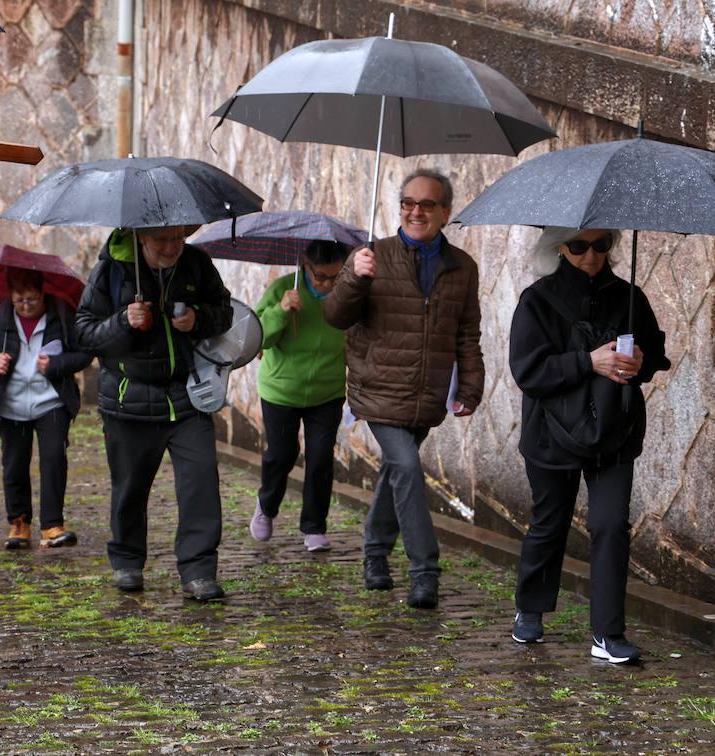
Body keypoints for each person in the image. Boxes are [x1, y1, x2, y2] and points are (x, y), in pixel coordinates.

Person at [323, 169, 484, 610]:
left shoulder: (462, 267)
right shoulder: (371, 256)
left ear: (445, 212)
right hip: (378, 389)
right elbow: (336, 317)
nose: (416, 211)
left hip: (426, 394)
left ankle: (374, 554)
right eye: (407, 203)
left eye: (427, 204)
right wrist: (354, 277)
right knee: (409, 468)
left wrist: (471, 384)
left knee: (398, 472)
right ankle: (424, 571)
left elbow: (467, 332)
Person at [508, 227, 668, 662]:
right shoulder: (536, 300)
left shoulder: (629, 296)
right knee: (549, 522)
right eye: (579, 246)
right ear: (559, 246)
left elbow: (655, 354)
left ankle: (608, 633)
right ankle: (531, 606)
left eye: (602, 245)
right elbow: (528, 371)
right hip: (551, 431)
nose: (591, 255)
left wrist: (641, 361)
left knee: (611, 525)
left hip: (613, 429)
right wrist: (588, 361)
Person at [75, 226, 233, 602]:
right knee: (129, 488)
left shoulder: (195, 263)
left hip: (187, 395)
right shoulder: (111, 270)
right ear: (141, 238)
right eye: (162, 240)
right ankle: (127, 560)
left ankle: (198, 571)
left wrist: (199, 318)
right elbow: (83, 332)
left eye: (178, 237)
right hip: (129, 400)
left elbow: (225, 313)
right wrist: (123, 322)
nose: (172, 247)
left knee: (200, 485)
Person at [249, 239, 351, 552]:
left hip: (327, 390)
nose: (328, 283)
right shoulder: (283, 289)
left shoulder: (347, 293)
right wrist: (281, 311)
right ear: (305, 266)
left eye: (335, 276)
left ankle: (314, 526)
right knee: (282, 453)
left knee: (320, 458)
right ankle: (266, 505)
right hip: (281, 390)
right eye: (320, 276)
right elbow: (259, 340)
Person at [0, 267, 93, 550]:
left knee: (53, 459)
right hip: (11, 403)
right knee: (14, 466)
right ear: (10, 296)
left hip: (52, 400)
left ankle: (52, 525)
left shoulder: (62, 315)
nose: (25, 305)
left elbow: (85, 352)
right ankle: (19, 522)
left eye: (31, 299)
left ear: (42, 294)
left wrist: (56, 365)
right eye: (19, 299)